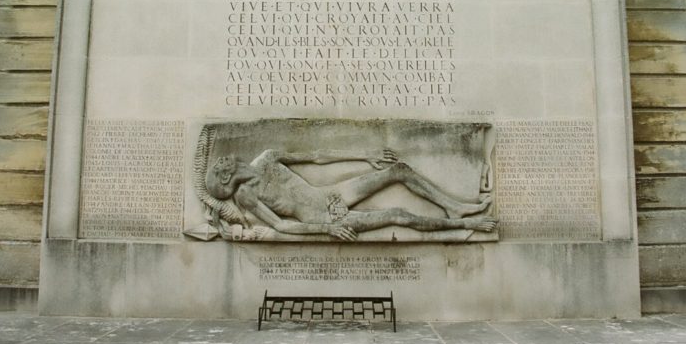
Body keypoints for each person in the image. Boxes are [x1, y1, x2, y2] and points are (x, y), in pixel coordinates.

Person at [203, 149, 497, 241]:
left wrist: (364, 155)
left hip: (330, 194)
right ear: (226, 178)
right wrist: (328, 228)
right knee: (399, 215)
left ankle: (454, 207)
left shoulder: (267, 158)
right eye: (219, 168)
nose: (223, 161)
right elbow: (281, 225)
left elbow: (316, 157)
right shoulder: (245, 196)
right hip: (324, 216)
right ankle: (464, 225)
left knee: (400, 169)